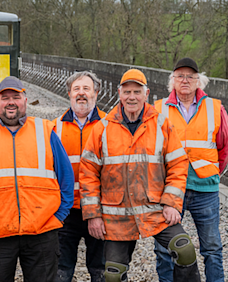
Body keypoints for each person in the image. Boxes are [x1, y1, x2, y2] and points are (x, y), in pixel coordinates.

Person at [80, 69, 201, 282]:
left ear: (147, 94)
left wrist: (172, 202)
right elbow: (88, 172)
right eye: (127, 92)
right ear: (119, 93)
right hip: (117, 216)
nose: (132, 97)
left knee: (185, 251)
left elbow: (178, 164)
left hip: (155, 209)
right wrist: (93, 214)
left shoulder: (161, 124)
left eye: (137, 91)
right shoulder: (103, 128)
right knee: (113, 275)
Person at [0, 76, 75, 282]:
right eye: (5, 98)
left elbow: (66, 179)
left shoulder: (45, 131)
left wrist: (59, 217)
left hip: (42, 232)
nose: (10, 102)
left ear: (25, 100)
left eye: (16, 96)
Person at [154, 58, 228, 282]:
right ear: (172, 81)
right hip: (169, 189)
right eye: (180, 76)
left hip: (205, 188)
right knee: (163, 248)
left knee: (212, 247)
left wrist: (212, 172)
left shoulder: (215, 107)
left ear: (199, 81)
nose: (185, 80)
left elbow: (224, 147)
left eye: (190, 76)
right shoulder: (158, 109)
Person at [53, 71, 106, 282]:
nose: (81, 94)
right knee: (61, 270)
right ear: (69, 93)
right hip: (66, 210)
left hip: (101, 210)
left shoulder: (109, 126)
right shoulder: (55, 128)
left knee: (101, 269)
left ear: (96, 92)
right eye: (76, 89)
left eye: (86, 89)